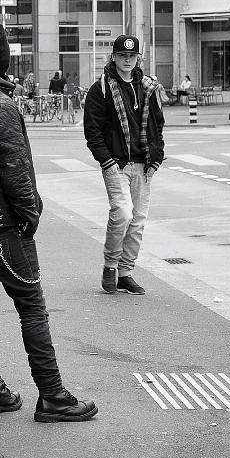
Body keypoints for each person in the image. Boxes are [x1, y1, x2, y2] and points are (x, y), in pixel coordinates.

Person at [0, 23, 97, 423]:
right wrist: (29, 215)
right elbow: (16, 171)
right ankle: (52, 393)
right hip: (1, 225)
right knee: (31, 306)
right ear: (5, 63)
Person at [83, 34, 165, 296]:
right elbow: (92, 130)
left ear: (138, 57)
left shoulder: (149, 88)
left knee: (138, 221)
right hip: (116, 163)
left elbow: (158, 125)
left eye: (132, 55)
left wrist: (157, 157)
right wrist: (106, 161)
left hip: (144, 164)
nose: (127, 60)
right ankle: (110, 265)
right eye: (122, 55)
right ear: (114, 57)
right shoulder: (102, 88)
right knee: (123, 213)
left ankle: (125, 273)